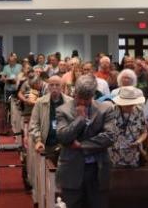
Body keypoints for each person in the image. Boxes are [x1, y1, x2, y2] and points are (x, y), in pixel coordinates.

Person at [56, 74, 117, 208]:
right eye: (80, 98)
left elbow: (110, 136)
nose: (82, 102)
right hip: (72, 171)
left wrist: (82, 145)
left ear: (93, 95)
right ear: (75, 92)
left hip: (98, 171)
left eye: (86, 99)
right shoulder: (63, 110)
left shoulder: (105, 109)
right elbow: (62, 137)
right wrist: (80, 119)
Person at [30, 76, 72, 161]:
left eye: (57, 85)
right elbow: (34, 124)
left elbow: (74, 124)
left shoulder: (70, 102)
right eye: (51, 85)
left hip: (65, 146)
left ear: (62, 87)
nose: (54, 88)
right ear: (48, 86)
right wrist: (38, 140)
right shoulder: (40, 102)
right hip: (46, 145)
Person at [109, 86, 147, 167]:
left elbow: (144, 132)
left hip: (133, 155)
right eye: (126, 105)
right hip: (114, 154)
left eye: (131, 104)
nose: (129, 106)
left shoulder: (139, 111)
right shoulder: (111, 111)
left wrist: (138, 142)